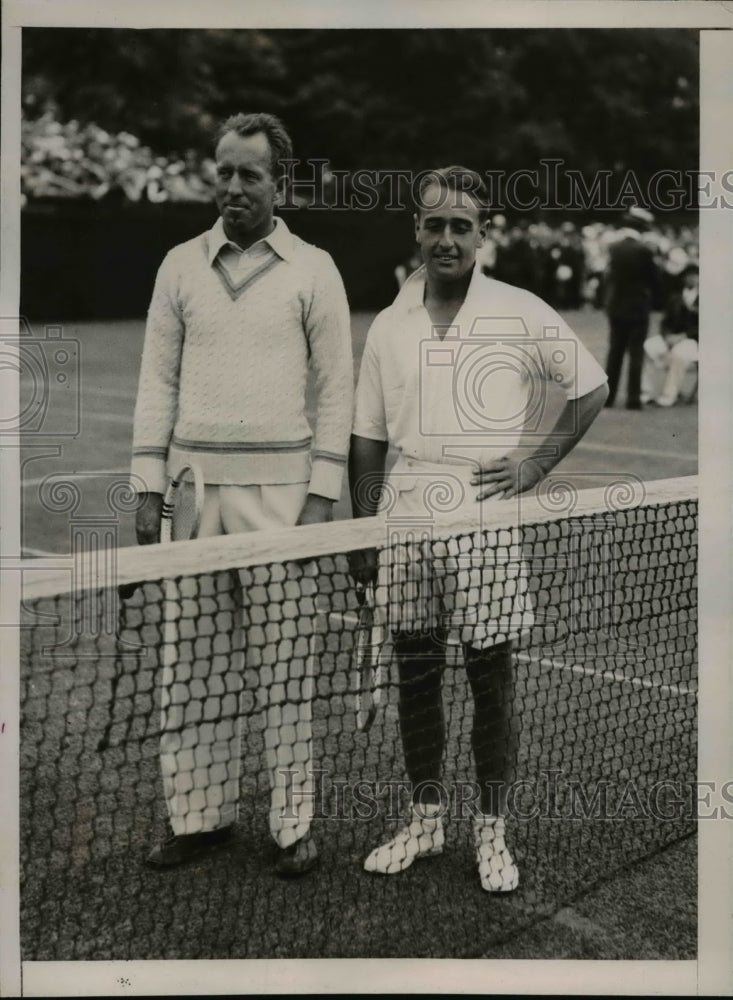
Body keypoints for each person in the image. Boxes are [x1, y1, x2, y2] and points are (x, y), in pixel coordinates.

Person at [348, 166, 608, 891]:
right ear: (416, 230)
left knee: (490, 678)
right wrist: (362, 530)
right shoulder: (388, 322)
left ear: (482, 234)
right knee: (415, 672)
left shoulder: (518, 308)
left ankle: (491, 833)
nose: (446, 239)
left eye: (461, 226)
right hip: (403, 505)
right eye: (434, 224)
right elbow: (366, 435)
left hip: (482, 509)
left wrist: (533, 466)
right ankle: (424, 822)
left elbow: (591, 387)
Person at [131, 112, 353, 876]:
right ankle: (198, 817)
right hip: (191, 496)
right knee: (188, 665)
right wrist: (144, 484)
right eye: (222, 171)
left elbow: (337, 388)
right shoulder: (178, 264)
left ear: (279, 181)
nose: (231, 187)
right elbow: (156, 379)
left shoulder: (314, 268)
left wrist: (321, 495)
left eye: (247, 174)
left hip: (282, 497)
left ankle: (293, 825)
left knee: (285, 666)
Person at [603, 206, 660, 409]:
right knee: (636, 353)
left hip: (617, 306)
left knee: (614, 352)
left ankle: (608, 397)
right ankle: (633, 398)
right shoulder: (644, 251)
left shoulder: (615, 248)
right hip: (637, 307)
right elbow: (653, 279)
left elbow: (608, 277)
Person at [642, 262, 699, 406]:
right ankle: (646, 392)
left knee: (680, 354)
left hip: (693, 340)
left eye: (695, 276)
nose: (691, 279)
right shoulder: (675, 297)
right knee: (648, 346)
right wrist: (667, 336)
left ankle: (668, 396)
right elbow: (665, 322)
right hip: (671, 337)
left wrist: (683, 336)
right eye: (688, 276)